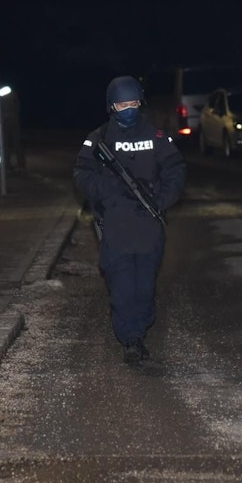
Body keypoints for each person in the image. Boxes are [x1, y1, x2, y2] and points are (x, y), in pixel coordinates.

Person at [74, 75, 187, 364]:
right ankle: (131, 339)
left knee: (145, 286)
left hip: (149, 224)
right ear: (112, 106)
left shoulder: (156, 137)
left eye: (134, 103)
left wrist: (160, 199)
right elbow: (83, 175)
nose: (129, 109)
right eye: (123, 104)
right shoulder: (98, 139)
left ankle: (141, 326)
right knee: (122, 286)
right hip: (116, 225)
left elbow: (175, 171)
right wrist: (111, 190)